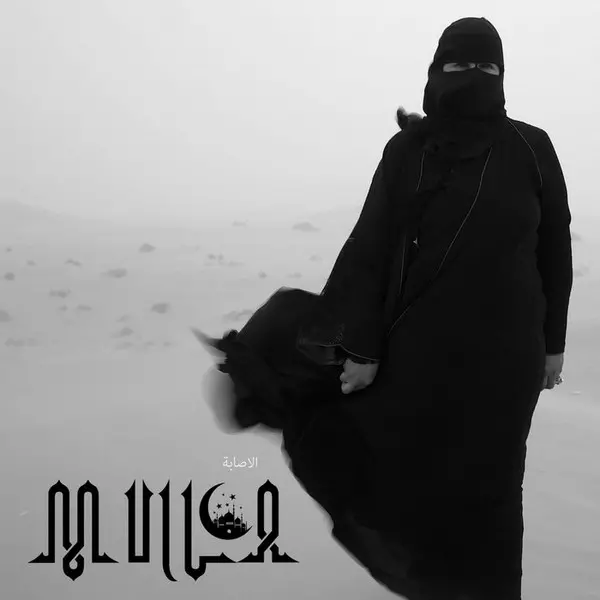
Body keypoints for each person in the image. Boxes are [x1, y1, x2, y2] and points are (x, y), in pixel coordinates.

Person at [196, 16, 573, 600]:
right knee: (413, 480)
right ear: (435, 71)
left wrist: (554, 344)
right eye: (459, 64)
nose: (474, 76)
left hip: (506, 361)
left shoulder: (531, 146)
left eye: (488, 66)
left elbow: (554, 249)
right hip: (419, 348)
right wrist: (361, 348)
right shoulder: (408, 151)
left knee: (492, 498)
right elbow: (369, 247)